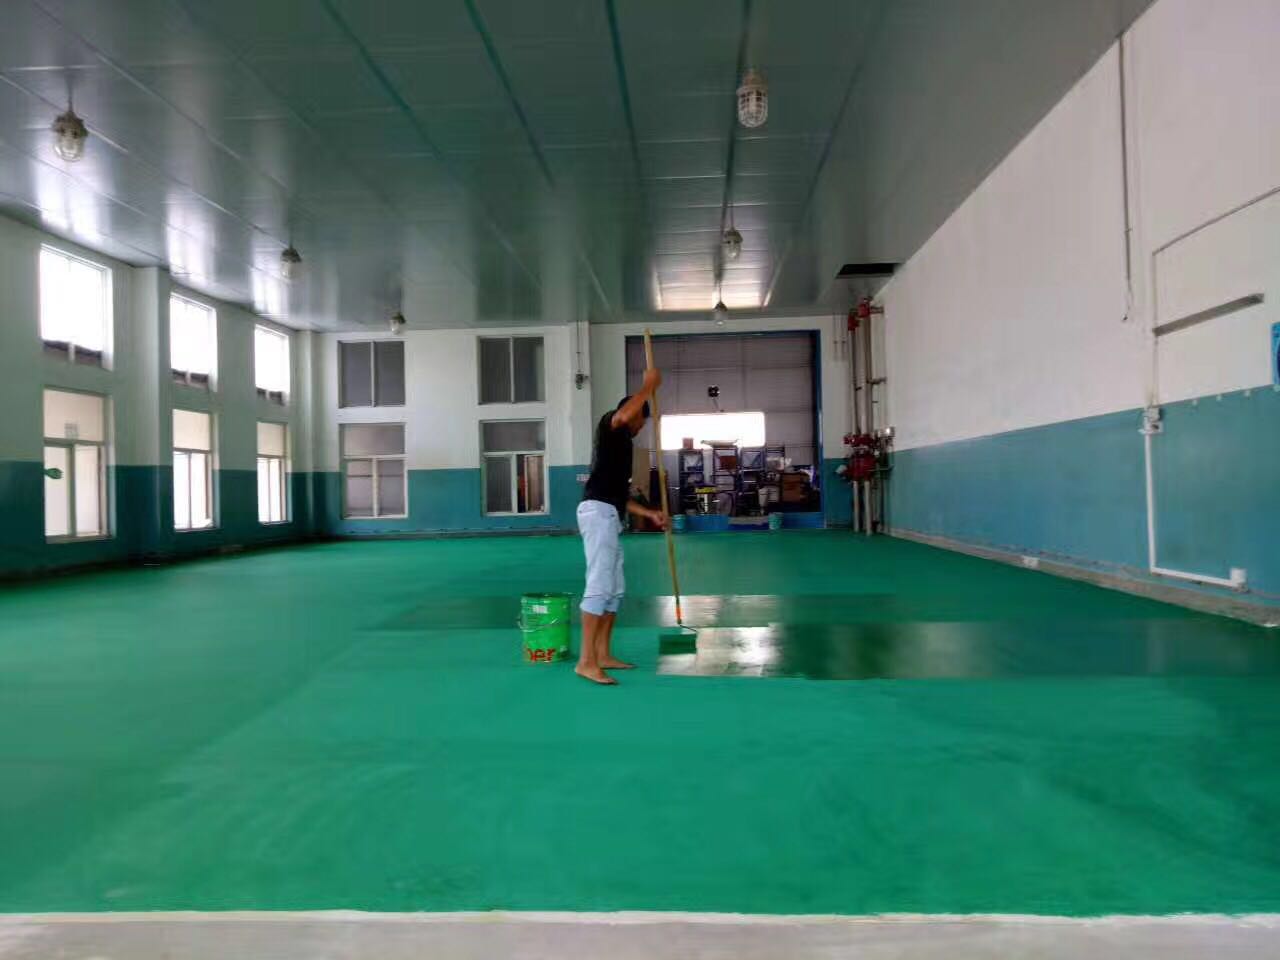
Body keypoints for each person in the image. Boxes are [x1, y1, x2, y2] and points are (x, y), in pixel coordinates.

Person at [576, 370, 667, 685]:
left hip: (610, 514)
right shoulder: (610, 425)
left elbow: (620, 497)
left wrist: (650, 514)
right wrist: (648, 386)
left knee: (614, 590)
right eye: (642, 421)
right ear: (634, 414)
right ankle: (586, 661)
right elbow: (624, 415)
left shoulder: (623, 447)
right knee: (599, 586)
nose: (641, 427)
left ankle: (602, 654)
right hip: (597, 513)